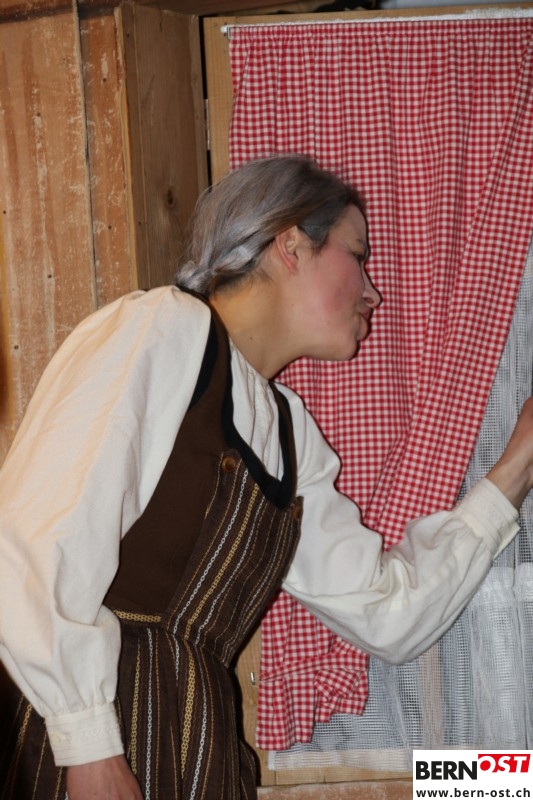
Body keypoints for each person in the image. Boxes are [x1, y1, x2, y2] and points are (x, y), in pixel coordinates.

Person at [0, 154, 532, 800]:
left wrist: (518, 462)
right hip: (87, 744)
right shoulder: (161, 328)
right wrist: (87, 744)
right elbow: (30, 545)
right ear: (290, 244)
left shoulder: (286, 432)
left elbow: (388, 615)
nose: (373, 292)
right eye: (358, 255)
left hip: (197, 754)